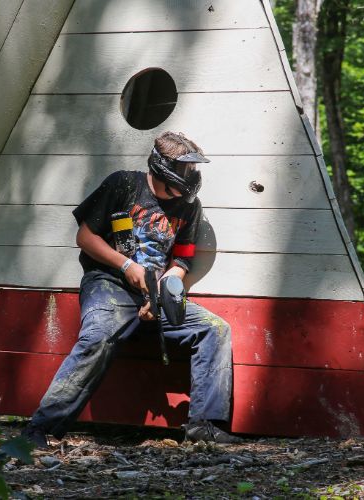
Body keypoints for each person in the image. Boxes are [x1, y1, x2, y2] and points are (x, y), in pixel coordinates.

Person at [22, 132, 241, 447]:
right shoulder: (124, 185)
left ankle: (203, 426)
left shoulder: (190, 207)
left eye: (191, 172)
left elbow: (182, 258)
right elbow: (85, 237)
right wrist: (127, 266)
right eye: (183, 171)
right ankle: (40, 428)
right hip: (107, 284)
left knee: (214, 329)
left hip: (153, 293)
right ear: (162, 167)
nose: (188, 179)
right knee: (97, 337)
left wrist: (166, 290)